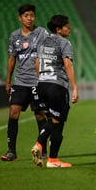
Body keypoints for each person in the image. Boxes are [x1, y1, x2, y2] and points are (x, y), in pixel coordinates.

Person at [0, 4, 48, 161]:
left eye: (32, 15)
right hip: (20, 82)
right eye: (26, 15)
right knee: (13, 113)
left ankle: (43, 149)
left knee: (40, 115)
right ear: (20, 18)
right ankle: (11, 151)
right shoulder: (15, 36)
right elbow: (12, 58)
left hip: (37, 82)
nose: (29, 18)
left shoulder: (41, 33)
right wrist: (8, 81)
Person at [31, 14, 79, 168]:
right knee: (58, 123)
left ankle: (46, 152)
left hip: (42, 85)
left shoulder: (42, 42)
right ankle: (50, 157)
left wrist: (43, 80)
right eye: (66, 25)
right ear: (59, 29)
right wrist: (75, 87)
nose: (69, 27)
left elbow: (37, 64)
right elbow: (67, 65)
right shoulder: (64, 42)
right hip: (57, 86)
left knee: (52, 120)